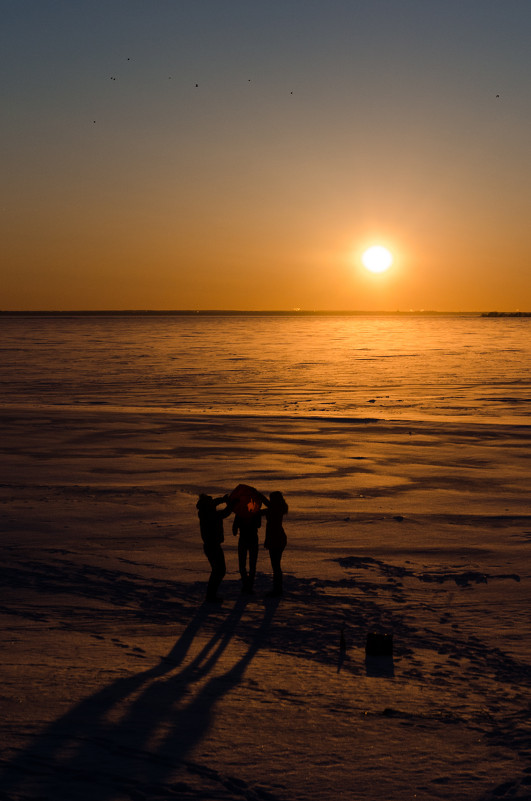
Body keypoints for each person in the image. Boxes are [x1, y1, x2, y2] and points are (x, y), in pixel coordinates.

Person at [196, 493, 232, 603]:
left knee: (217, 570)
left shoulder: (205, 510)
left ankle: (211, 595)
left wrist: (223, 499)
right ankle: (211, 596)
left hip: (212, 545)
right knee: (219, 570)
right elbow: (225, 513)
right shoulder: (209, 514)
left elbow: (215, 503)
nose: (212, 503)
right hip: (213, 546)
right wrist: (231, 504)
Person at [260, 491, 288, 597]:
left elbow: (267, 504)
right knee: (276, 565)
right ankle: (277, 588)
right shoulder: (275, 509)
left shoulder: (277, 509)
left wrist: (257, 494)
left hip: (277, 539)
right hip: (276, 539)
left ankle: (277, 590)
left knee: (276, 565)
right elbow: (260, 512)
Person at [232, 511, 261, 594]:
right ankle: (248, 586)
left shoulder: (240, 512)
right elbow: (258, 525)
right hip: (252, 540)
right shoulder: (255, 512)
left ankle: (246, 585)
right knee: (251, 565)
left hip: (244, 540)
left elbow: (234, 531)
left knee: (243, 564)